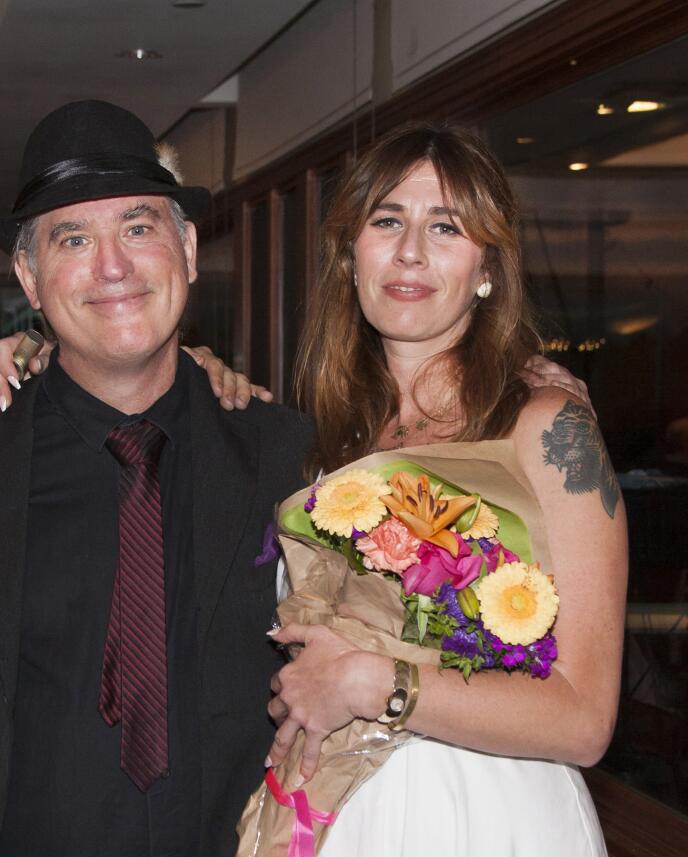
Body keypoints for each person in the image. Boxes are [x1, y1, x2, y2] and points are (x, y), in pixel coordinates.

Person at [0, 100, 315, 857]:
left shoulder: (287, 455)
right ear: (29, 274)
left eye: (139, 227)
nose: (112, 266)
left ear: (186, 247)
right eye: (73, 237)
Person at [266, 122, 626, 855]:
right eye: (387, 220)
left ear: (487, 266)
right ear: (348, 256)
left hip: (488, 813)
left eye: (446, 227)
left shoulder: (549, 428)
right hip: (347, 810)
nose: (410, 252)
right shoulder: (332, 447)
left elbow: (586, 718)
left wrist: (374, 684)